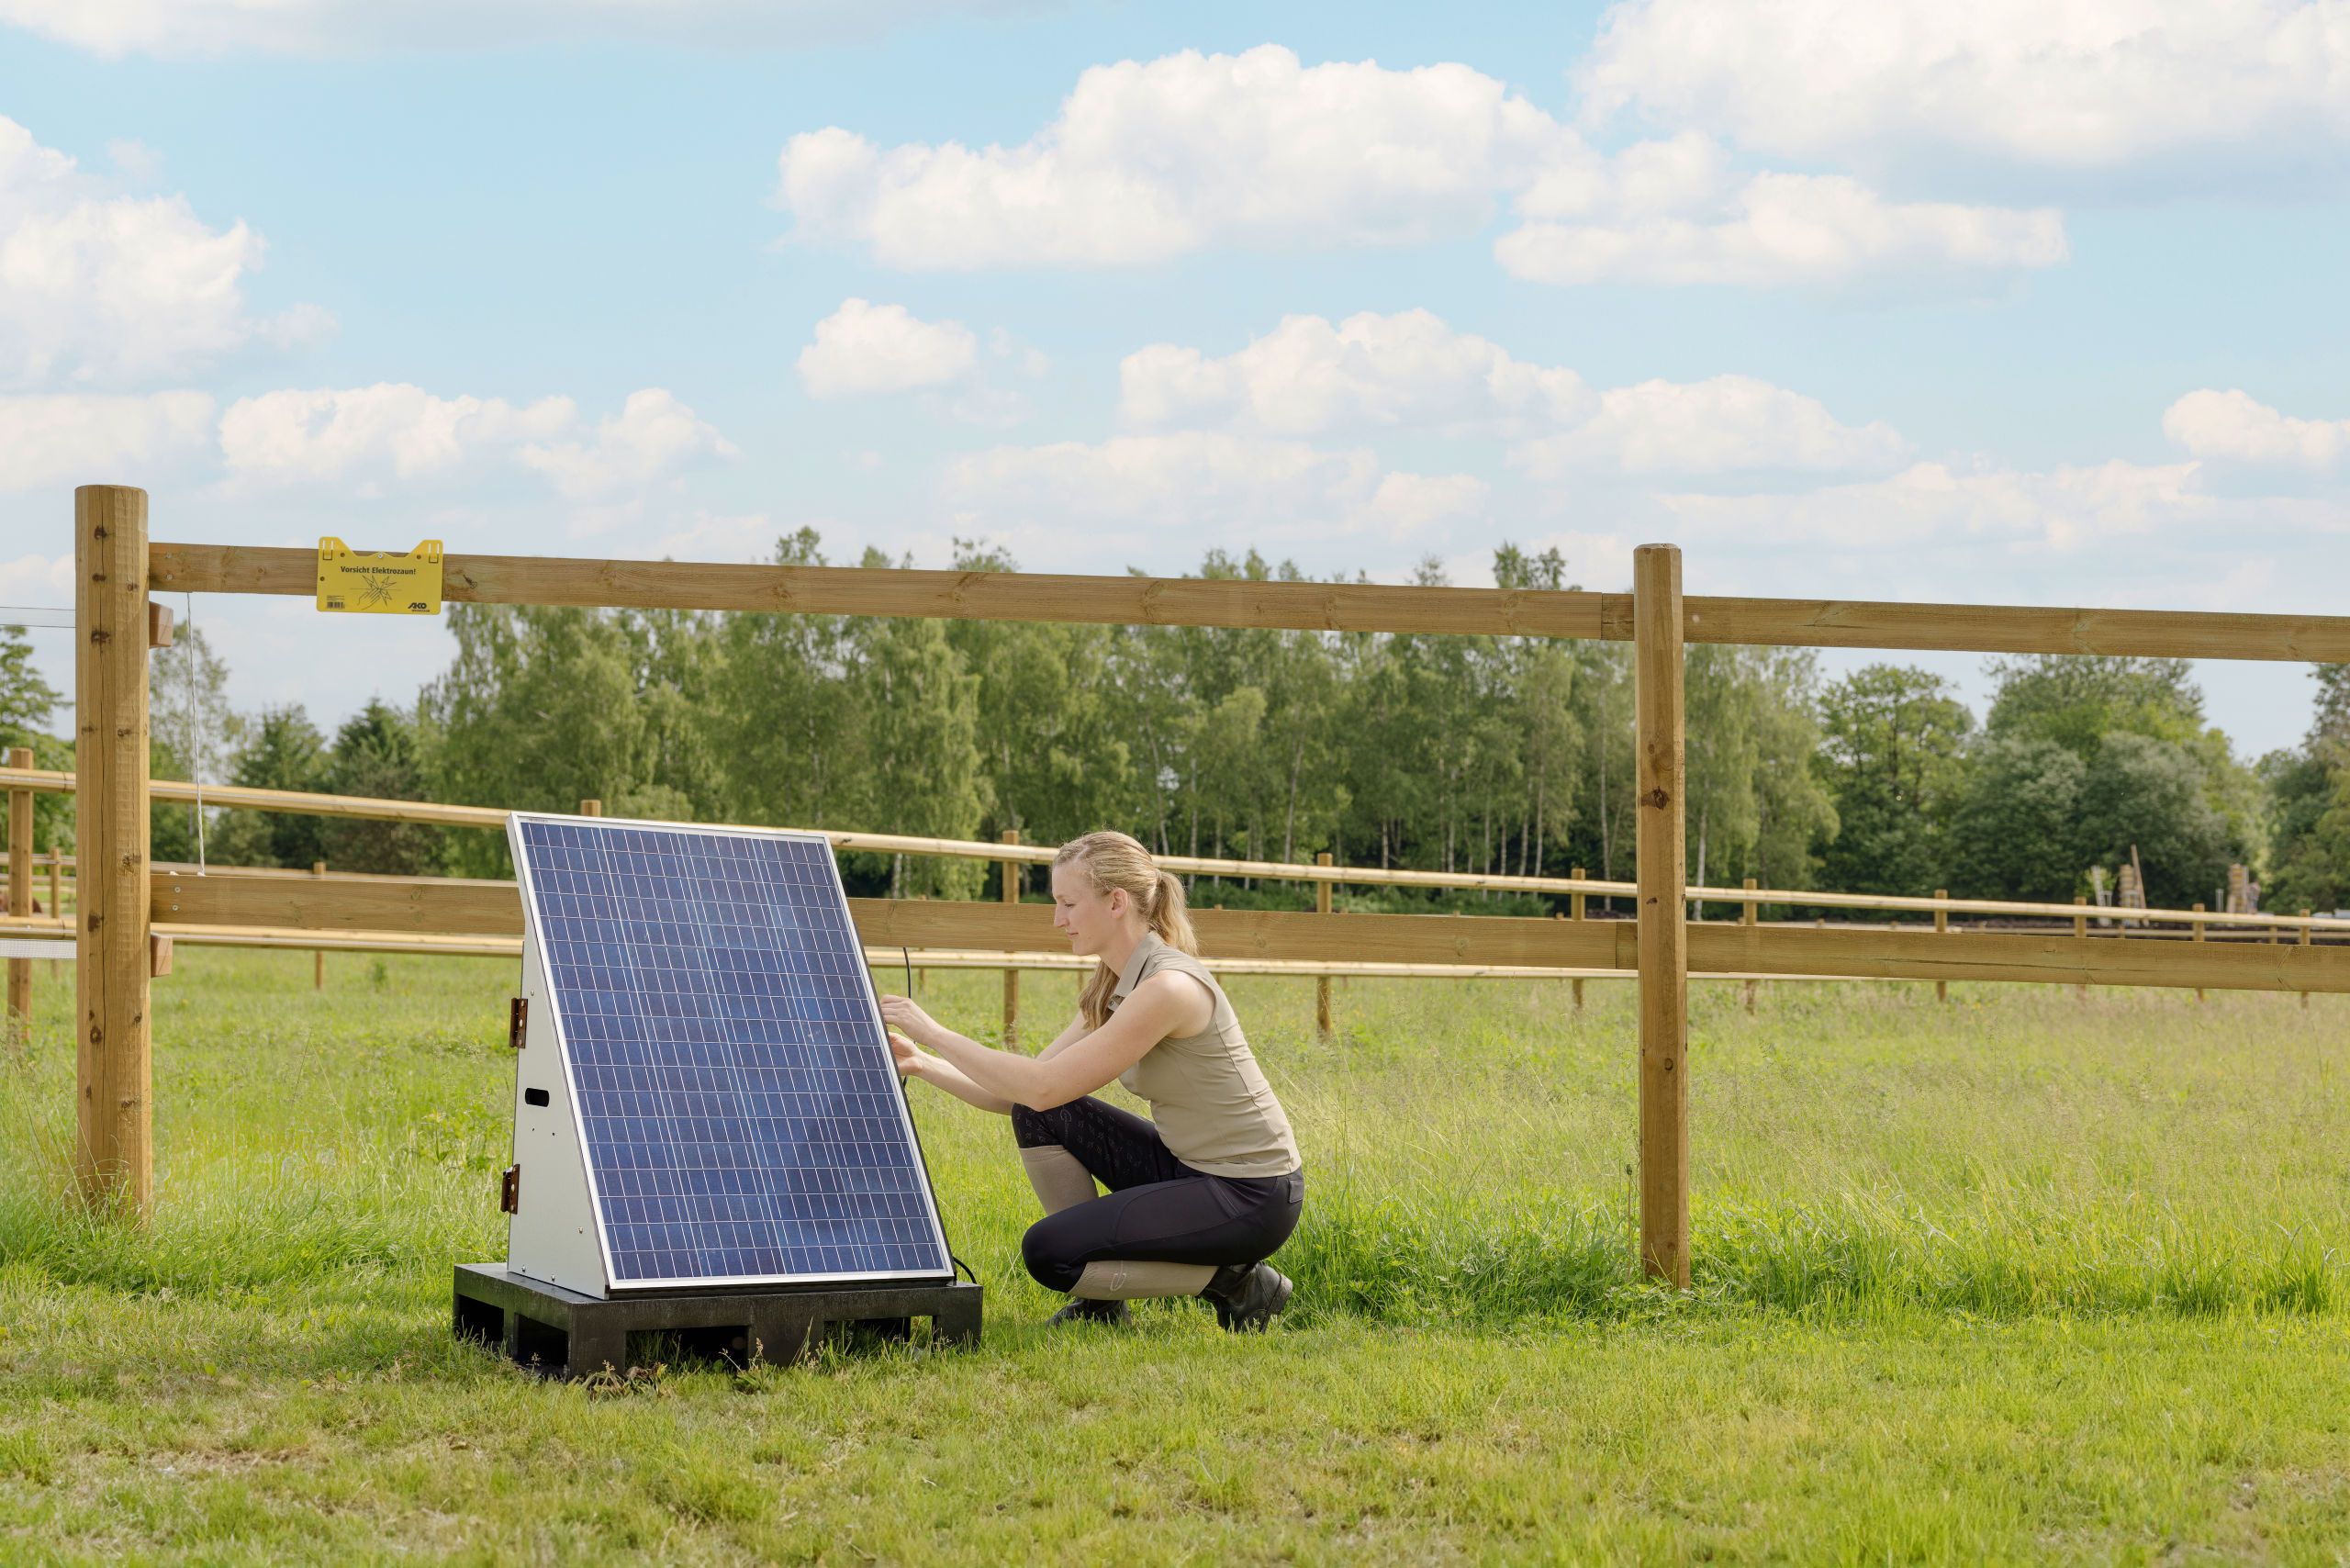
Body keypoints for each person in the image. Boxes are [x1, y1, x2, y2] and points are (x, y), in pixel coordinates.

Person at [879, 830, 1304, 1330]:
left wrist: (932, 1030)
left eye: (1068, 903)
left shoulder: (1168, 987)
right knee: (1042, 1115)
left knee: (1048, 1253)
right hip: (1190, 1169)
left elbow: (1042, 1084)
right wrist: (923, 1062)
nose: (1058, 920)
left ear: (1116, 903)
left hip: (1252, 1195)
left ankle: (1235, 1281)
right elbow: (1024, 1096)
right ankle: (1104, 1306)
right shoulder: (1115, 985)